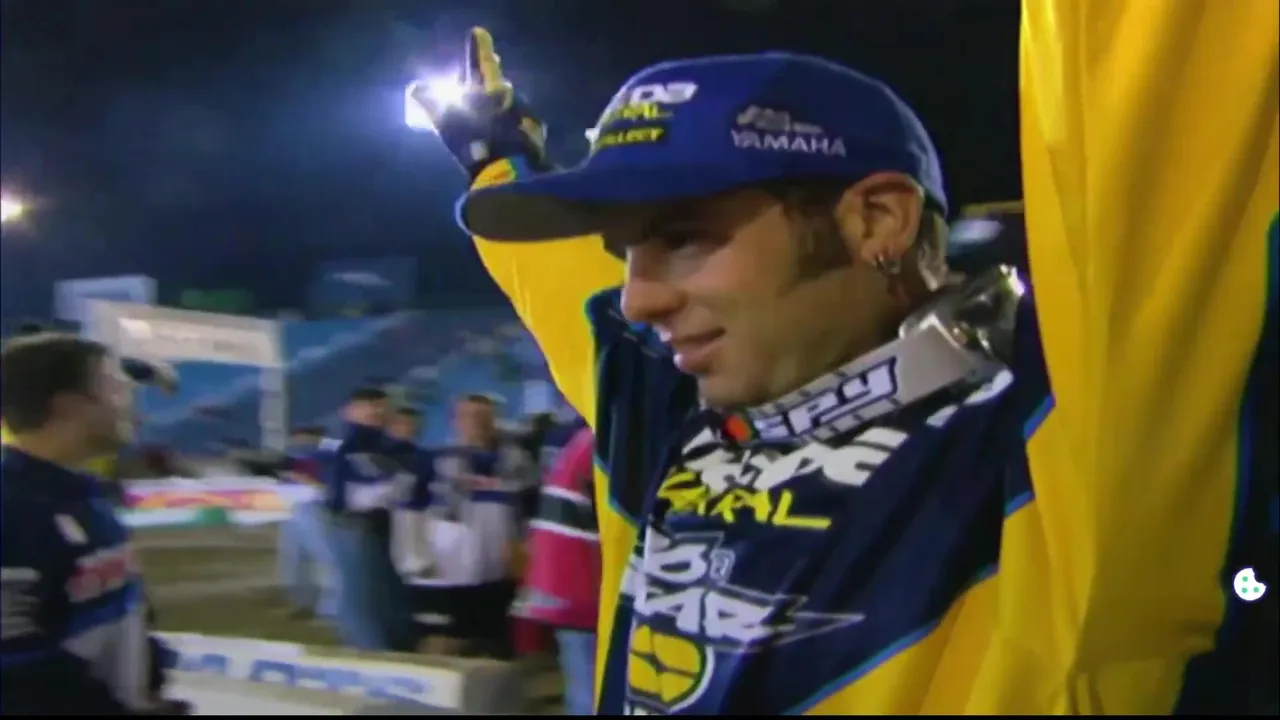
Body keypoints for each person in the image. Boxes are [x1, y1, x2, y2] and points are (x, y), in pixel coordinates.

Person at [409, 10, 1277, 714]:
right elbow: (555, 277)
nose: (634, 301)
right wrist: (491, 157)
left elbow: (1165, 88)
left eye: (683, 237)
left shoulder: (1066, 447)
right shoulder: (663, 391)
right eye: (623, 251)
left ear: (876, 222)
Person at [0, 333, 186, 714]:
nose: (133, 405)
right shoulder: (14, 512)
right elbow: (15, 669)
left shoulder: (84, 495)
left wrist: (148, 670)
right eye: (116, 388)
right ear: (70, 406)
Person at [425, 394, 538, 658]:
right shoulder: (442, 459)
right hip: (460, 559)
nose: (476, 422)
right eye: (468, 416)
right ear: (455, 421)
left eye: (483, 416)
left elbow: (531, 500)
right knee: (462, 623)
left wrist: (525, 542)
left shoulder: (517, 458)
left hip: (505, 553)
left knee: (501, 621)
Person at [320, 386, 416, 652]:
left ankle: (383, 646)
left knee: (380, 589)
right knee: (362, 594)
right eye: (367, 406)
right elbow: (358, 495)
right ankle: (371, 650)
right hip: (355, 524)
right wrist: (400, 484)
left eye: (380, 406)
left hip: (377, 524)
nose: (375, 411)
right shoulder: (352, 446)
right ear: (348, 411)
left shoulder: (384, 446)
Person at [520, 426, 600, 715]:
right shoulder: (613, 443)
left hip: (566, 586)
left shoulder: (590, 438)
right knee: (591, 697)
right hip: (583, 587)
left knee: (585, 692)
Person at [275, 426, 336, 620]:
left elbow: (329, 485)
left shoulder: (328, 456)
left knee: (327, 557)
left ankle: (331, 607)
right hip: (292, 509)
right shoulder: (290, 458)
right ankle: (302, 602)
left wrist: (309, 480)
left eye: (306, 438)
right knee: (293, 558)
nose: (301, 442)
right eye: (298, 438)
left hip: (317, 508)